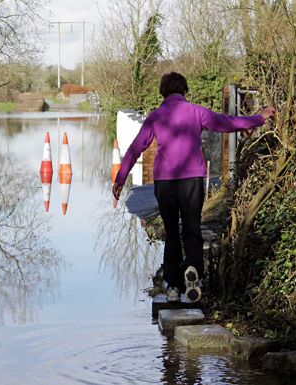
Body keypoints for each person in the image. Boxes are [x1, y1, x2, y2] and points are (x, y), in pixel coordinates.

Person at [112, 72, 275, 302]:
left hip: (165, 182)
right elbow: (226, 123)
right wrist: (258, 118)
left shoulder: (156, 117)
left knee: (171, 233)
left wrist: (120, 180)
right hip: (191, 180)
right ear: (184, 90)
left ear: (163, 92)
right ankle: (194, 272)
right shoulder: (196, 112)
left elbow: (135, 149)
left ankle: (172, 287)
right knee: (191, 228)